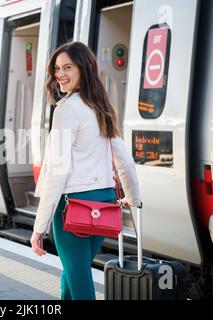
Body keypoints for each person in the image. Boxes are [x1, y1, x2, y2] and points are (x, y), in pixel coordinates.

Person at [30, 41, 141, 300]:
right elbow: (124, 158)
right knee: (72, 275)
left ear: (84, 68)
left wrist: (39, 228)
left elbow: (57, 173)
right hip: (104, 204)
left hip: (74, 207)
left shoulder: (67, 110)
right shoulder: (99, 106)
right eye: (57, 68)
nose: (60, 74)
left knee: (80, 283)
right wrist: (132, 199)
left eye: (67, 67)